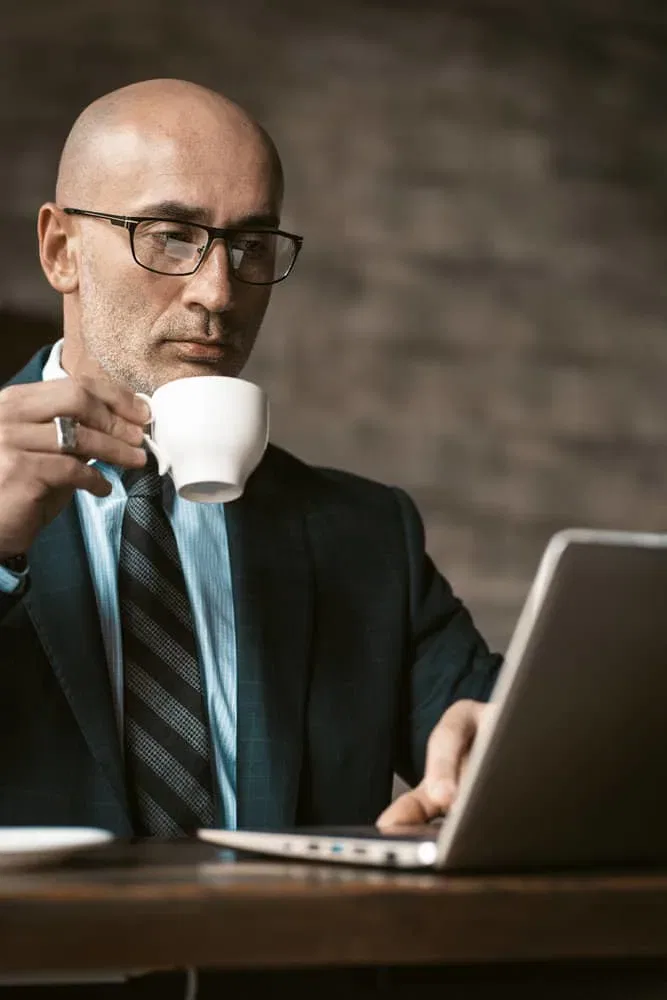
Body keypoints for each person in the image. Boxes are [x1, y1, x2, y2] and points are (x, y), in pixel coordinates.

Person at [0, 78, 501, 838]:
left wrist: (495, 747)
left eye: (250, 245)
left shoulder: (365, 536)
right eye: (171, 235)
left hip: (282, 954)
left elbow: (510, 735)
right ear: (60, 250)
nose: (218, 291)